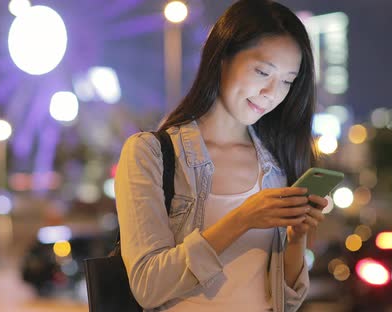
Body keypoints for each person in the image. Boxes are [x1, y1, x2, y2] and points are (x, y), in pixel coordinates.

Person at [114, 1, 328, 311]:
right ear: (223, 57)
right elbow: (148, 285)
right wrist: (242, 219)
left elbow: (289, 301)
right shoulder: (152, 154)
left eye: (286, 81)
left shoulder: (278, 165)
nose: (271, 92)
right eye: (262, 71)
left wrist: (297, 238)